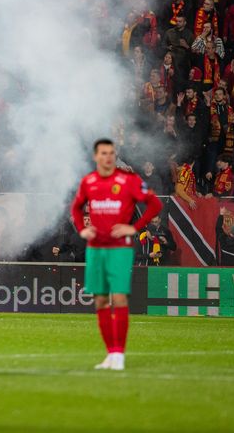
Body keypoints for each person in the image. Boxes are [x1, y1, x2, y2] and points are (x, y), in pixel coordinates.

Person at [71, 138, 162, 371]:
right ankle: (110, 354)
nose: (108, 157)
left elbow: (154, 205)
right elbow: (75, 207)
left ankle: (119, 355)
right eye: (103, 153)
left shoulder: (129, 180)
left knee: (119, 298)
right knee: (100, 300)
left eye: (111, 153)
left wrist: (134, 226)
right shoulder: (88, 182)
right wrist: (83, 229)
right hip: (95, 249)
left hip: (120, 248)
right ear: (96, 157)